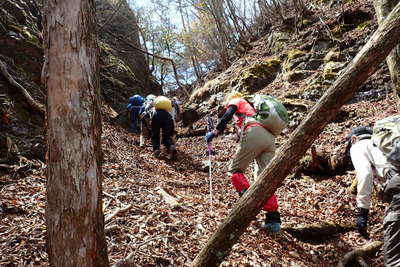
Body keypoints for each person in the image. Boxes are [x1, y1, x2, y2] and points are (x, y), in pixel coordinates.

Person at [205, 91, 281, 233]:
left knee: (234, 170)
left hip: (254, 132)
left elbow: (228, 114)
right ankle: (273, 222)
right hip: (270, 138)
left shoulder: (237, 100)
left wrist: (214, 133)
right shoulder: (252, 109)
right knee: (264, 179)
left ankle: (247, 205)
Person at [347, 123, 400, 266]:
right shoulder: (382, 145)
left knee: (393, 258)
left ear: (353, 138)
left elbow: (365, 175)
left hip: (397, 184)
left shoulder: (358, 146)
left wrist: (362, 212)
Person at [151, 96, 177, 160]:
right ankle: (170, 146)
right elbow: (172, 122)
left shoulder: (155, 103)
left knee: (155, 135)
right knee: (166, 137)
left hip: (156, 116)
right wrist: (172, 131)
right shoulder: (168, 111)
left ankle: (156, 149)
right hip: (167, 117)